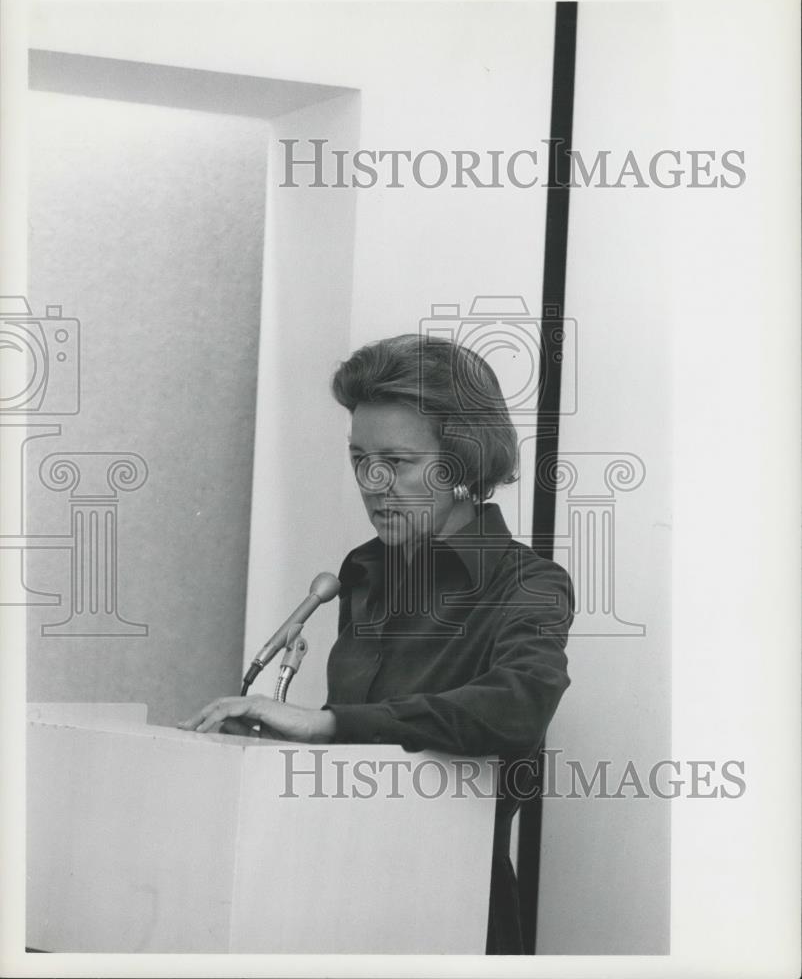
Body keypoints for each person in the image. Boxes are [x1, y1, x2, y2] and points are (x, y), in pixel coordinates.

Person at [179, 334, 575, 954]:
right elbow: (366, 751)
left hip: (454, 912)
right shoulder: (362, 572)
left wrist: (330, 723)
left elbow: (518, 707)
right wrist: (280, 744)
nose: (372, 481)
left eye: (398, 460)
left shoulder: (528, 583)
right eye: (359, 458)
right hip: (333, 898)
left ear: (463, 464)